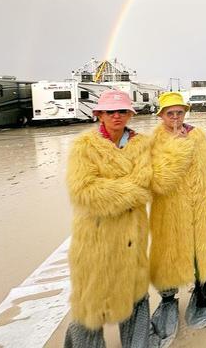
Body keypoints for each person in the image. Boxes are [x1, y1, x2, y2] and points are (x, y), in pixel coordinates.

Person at [64, 89, 152, 348]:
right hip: (95, 238)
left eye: (122, 111)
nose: (116, 116)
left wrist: (114, 188)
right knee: (90, 303)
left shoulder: (143, 144)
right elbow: (84, 192)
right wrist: (133, 191)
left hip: (132, 237)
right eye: (110, 111)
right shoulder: (84, 146)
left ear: (130, 114)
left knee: (135, 296)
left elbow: (146, 179)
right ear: (99, 114)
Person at [149, 91, 206, 347]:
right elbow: (158, 178)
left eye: (179, 112)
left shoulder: (198, 135)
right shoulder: (155, 140)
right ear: (161, 116)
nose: (176, 117)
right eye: (170, 113)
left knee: (200, 251)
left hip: (198, 206)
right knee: (168, 252)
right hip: (169, 208)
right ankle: (168, 299)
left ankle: (203, 293)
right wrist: (176, 145)